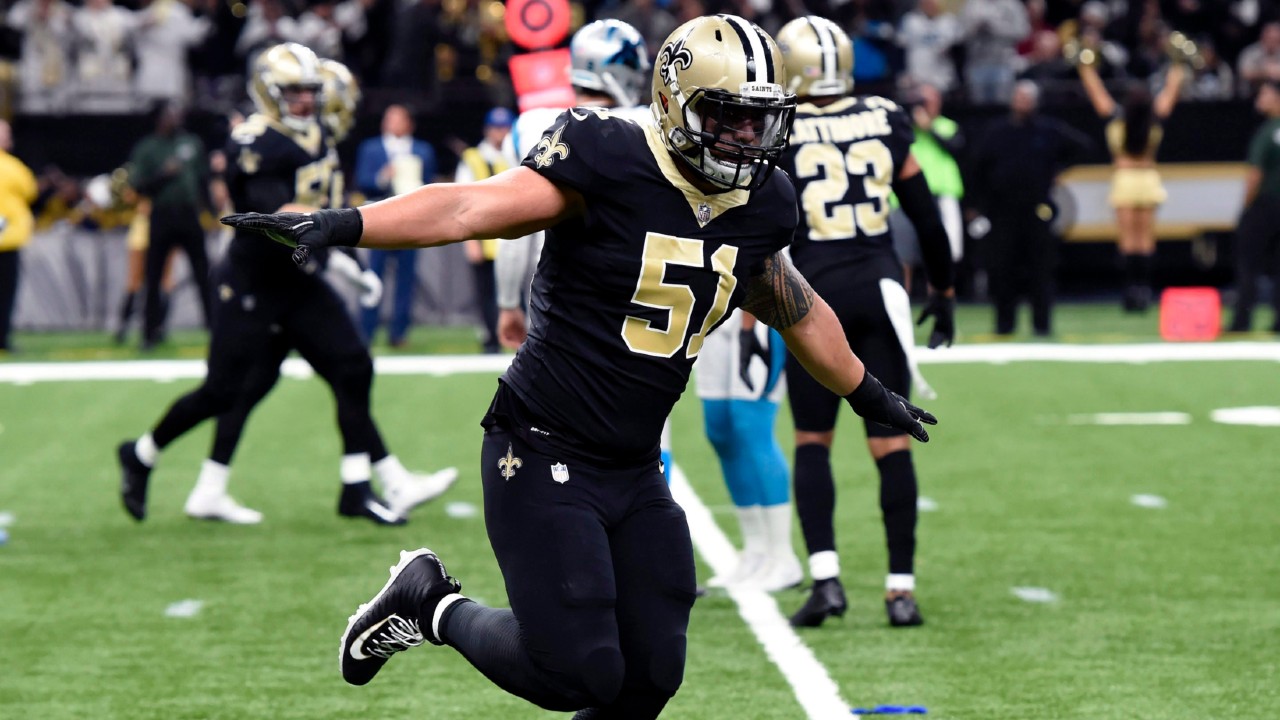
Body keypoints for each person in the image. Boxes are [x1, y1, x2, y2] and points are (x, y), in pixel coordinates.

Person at [224, 15, 936, 718]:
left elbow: (794, 305)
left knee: (651, 675)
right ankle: (430, 602)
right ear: (675, 102)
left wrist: (867, 391)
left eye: (759, 120)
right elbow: (475, 206)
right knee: (578, 671)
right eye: (727, 116)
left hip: (633, 464)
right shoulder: (607, 153)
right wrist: (348, 223)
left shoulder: (764, 200)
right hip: (541, 445)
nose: (747, 137)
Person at [116, 44, 454, 527]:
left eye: (310, 91)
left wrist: (339, 258)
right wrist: (343, 260)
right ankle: (142, 453)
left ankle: (358, 486)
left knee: (352, 367)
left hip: (299, 279)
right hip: (253, 281)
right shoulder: (256, 140)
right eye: (294, 91)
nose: (305, 101)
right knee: (224, 391)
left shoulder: (315, 133)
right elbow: (279, 218)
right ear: (269, 93)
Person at [774, 16, 955, 629]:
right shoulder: (885, 115)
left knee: (811, 442)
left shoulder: (784, 123)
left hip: (810, 295)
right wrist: (946, 287)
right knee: (891, 442)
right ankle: (900, 591)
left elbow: (763, 220)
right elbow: (925, 213)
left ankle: (826, 580)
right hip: (881, 290)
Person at [494, 18, 653, 351]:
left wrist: (508, 302)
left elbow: (511, 231)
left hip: (553, 292)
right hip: (633, 294)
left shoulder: (533, 125)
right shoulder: (650, 126)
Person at [971, 80, 1090, 336]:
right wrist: (976, 205)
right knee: (1003, 270)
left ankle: (1042, 325)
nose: (1023, 102)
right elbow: (977, 168)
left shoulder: (1048, 130)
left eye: (1027, 98)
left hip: (1038, 210)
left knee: (1041, 270)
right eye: (1019, 97)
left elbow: (1083, 147)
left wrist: (1057, 170)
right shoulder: (997, 132)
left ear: (1036, 101)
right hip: (1002, 212)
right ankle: (1004, 326)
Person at [695, 308, 802, 592]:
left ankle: (782, 556)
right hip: (710, 310)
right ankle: (755, 551)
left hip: (758, 309)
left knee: (752, 427)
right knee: (720, 431)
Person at [1077, 41, 1186, 312]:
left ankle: (1129, 292)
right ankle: (1144, 289)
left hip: (1125, 180)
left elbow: (1095, 91)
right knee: (1145, 238)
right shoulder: (1155, 119)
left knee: (1127, 239)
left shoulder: (1116, 118)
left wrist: (1085, 65)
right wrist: (1178, 63)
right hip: (1148, 178)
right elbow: (1172, 90)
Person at [126, 101, 215, 349]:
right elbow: (138, 187)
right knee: (152, 276)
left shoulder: (192, 143)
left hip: (189, 215)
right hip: (161, 214)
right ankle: (150, 333)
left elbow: (202, 179)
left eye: (177, 113)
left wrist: (212, 212)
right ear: (159, 119)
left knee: (203, 275)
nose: (175, 118)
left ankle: (216, 328)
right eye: (170, 115)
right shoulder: (148, 148)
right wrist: (163, 175)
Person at [354, 104, 436, 347]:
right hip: (378, 220)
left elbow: (430, 183)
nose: (392, 123)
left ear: (409, 123)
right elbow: (362, 180)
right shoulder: (371, 148)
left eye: (398, 119)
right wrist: (383, 176)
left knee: (406, 279)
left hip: (411, 221)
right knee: (372, 277)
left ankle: (398, 333)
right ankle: (366, 332)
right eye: (389, 118)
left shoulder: (422, 150)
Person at [891, 82, 965, 293]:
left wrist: (929, 128)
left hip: (941, 197)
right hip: (904, 199)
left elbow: (957, 148)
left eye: (928, 100)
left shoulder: (947, 126)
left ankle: (941, 309)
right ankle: (901, 311)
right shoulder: (904, 127)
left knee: (941, 257)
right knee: (902, 257)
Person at [457, 107, 514, 354]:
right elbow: (461, 199)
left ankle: (518, 338)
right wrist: (470, 241)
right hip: (486, 238)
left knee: (519, 292)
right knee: (487, 294)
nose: (500, 133)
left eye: (505, 128)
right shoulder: (474, 158)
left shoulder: (522, 152)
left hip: (516, 239)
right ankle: (491, 338)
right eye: (496, 128)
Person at [1230, 79, 1280, 333]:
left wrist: (1245, 206)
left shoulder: (1266, 131)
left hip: (1265, 205)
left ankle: (1242, 320)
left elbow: (1254, 175)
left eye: (1265, 94)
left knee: (1248, 263)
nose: (1260, 98)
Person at [0, 119, 38, 353]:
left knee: (6, 295)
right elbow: (30, 190)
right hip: (9, 237)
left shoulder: (14, 165)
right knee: (5, 294)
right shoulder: (14, 167)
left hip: (9, 240)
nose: (8, 137)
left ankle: (2, 338)